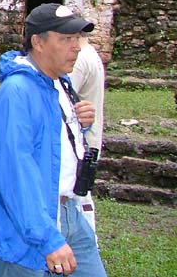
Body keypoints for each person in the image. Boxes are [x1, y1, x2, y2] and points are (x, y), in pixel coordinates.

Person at [0, 3, 107, 276]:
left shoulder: (60, 83)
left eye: (77, 39)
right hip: (32, 223)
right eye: (65, 39)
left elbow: (50, 145)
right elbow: (15, 171)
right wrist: (45, 237)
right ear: (38, 42)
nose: (76, 47)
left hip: (69, 211)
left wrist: (81, 125)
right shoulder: (18, 92)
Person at [66, 19, 106, 236]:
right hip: (86, 143)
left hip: (79, 147)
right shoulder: (90, 54)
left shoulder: (79, 58)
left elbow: (60, 97)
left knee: (77, 209)